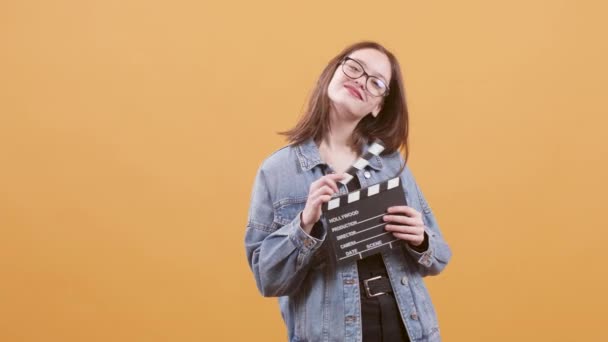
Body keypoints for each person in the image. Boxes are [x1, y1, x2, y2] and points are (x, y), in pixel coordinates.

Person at [244, 41, 452, 342]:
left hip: (411, 331)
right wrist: (304, 224)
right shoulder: (277, 171)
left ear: (378, 105)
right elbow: (268, 279)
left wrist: (421, 239)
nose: (360, 82)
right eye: (354, 67)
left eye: (376, 82)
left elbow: (440, 257)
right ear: (334, 71)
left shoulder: (390, 163)